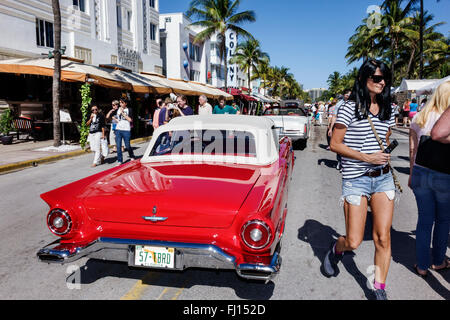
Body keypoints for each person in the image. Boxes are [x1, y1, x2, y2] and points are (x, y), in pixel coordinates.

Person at [328, 59, 396, 300]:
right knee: (354, 241)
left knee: (383, 237)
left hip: (383, 179)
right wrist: (366, 157)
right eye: (376, 78)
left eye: (384, 78)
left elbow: (385, 138)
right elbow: (334, 144)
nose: (382, 82)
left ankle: (379, 288)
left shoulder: (390, 108)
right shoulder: (348, 107)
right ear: (363, 79)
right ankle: (336, 250)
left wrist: (383, 153)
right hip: (355, 179)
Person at [409, 81, 450, 277]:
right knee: (443, 220)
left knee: (424, 221)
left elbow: (412, 150)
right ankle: (438, 261)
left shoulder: (420, 116)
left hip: (420, 172)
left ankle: (422, 266)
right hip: (444, 175)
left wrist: (410, 175)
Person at [115, 98, 136, 165]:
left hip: (126, 130)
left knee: (127, 145)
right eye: (120, 103)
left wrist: (123, 113)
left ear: (125, 103)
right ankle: (119, 160)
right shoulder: (118, 109)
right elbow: (117, 119)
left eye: (122, 102)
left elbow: (130, 120)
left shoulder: (129, 110)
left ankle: (132, 156)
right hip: (118, 129)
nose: (120, 104)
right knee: (118, 146)